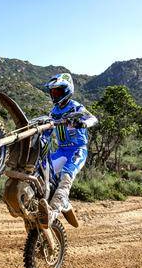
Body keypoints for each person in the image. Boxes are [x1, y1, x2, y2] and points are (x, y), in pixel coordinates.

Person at [38, 73, 98, 228]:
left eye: (57, 91)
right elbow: (47, 133)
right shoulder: (53, 112)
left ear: (67, 90)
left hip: (77, 150)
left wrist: (83, 123)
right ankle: (46, 200)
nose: (54, 94)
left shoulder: (76, 107)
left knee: (65, 176)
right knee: (41, 171)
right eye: (52, 91)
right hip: (61, 150)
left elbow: (93, 119)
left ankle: (52, 212)